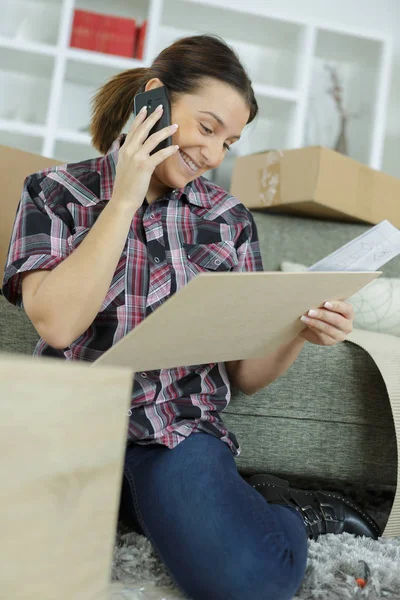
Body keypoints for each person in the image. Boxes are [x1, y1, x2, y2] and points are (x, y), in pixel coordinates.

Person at [2, 34, 380, 600]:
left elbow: (246, 375)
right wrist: (125, 195)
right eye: (207, 128)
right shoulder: (55, 194)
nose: (212, 154)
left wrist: (299, 331)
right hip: (66, 427)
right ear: (153, 101)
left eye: (229, 142)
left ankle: (290, 510)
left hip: (175, 435)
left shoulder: (228, 221)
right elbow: (58, 325)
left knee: (250, 583)